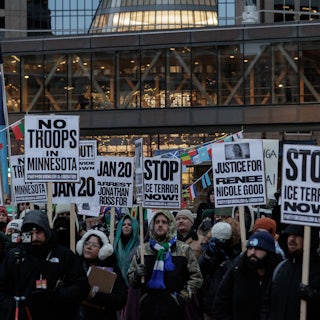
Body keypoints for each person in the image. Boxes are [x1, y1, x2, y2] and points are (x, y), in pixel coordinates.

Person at [0, 209, 90, 320]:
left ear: (46, 232)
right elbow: (2, 287)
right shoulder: (14, 257)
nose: (34, 238)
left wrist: (56, 296)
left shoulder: (63, 255)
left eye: (38, 232)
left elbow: (82, 286)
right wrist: (13, 306)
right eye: (30, 234)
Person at [127, 210, 203, 320]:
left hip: (175, 311)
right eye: (157, 222)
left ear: (171, 225)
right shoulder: (143, 250)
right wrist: (136, 275)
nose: (160, 225)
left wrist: (181, 297)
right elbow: (130, 279)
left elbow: (196, 277)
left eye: (164, 222)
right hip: (148, 309)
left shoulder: (183, 249)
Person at [213, 231, 279, 320]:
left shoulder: (277, 276)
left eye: (258, 249)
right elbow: (221, 302)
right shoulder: (237, 271)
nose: (253, 252)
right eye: (250, 248)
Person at [263, 224, 320, 320]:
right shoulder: (281, 268)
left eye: (298, 235)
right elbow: (266, 302)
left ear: (310, 240)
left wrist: (313, 296)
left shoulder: (317, 269)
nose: (292, 239)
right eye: (289, 235)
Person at [76, 229, 127, 320]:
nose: (89, 247)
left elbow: (121, 299)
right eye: (87, 243)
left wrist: (95, 296)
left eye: (94, 245)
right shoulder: (75, 267)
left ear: (103, 250)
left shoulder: (112, 271)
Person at [198, 221, 236, 320]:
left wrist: (226, 260)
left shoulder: (235, 252)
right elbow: (199, 272)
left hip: (228, 307)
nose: (221, 243)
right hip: (209, 305)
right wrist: (207, 256)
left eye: (224, 240)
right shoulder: (208, 249)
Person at [113, 214, 140, 320]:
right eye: (123, 224)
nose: (126, 226)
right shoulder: (114, 243)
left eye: (129, 224)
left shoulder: (140, 244)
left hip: (133, 287)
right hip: (117, 286)